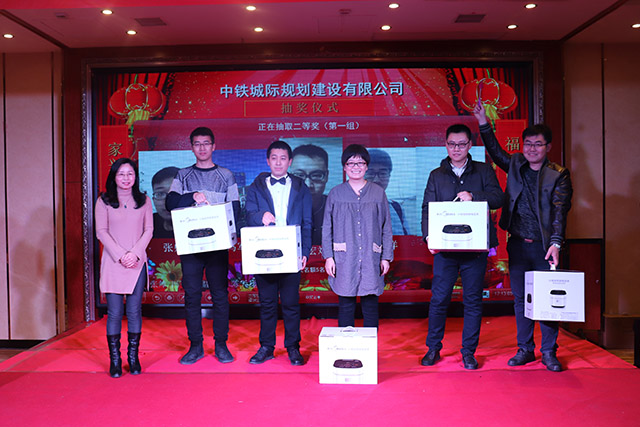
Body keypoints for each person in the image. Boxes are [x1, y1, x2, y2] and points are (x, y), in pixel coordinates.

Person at [473, 101, 572, 372]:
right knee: (521, 299)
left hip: (544, 247)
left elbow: (560, 211)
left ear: (548, 147)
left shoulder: (559, 175)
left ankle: (549, 352)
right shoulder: (516, 163)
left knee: (548, 299)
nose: (532, 149)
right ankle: (525, 349)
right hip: (517, 244)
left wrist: (556, 243)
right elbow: (496, 152)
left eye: (538, 144)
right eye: (528, 144)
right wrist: (483, 122)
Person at [420, 124, 504, 370]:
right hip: (445, 249)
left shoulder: (483, 170)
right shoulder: (437, 175)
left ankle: (469, 352)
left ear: (470, 145)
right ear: (445, 145)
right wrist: (429, 238)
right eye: (451, 144)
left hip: (474, 249)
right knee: (439, 299)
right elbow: (427, 208)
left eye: (461, 144)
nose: (456, 149)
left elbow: (499, 198)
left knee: (473, 300)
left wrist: (474, 196)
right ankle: (433, 348)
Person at [165, 126, 240, 365]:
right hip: (191, 246)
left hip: (217, 245)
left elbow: (235, 208)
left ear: (214, 146)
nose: (202, 148)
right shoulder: (183, 175)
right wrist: (193, 196)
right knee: (192, 295)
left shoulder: (226, 175)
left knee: (220, 295)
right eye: (197, 144)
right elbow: (170, 202)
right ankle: (195, 345)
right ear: (191, 147)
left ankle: (221, 344)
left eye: (206, 143)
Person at [244, 140, 312, 366]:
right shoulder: (256, 186)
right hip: (264, 253)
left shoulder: (301, 187)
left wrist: (305, 251)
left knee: (291, 303)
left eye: (283, 158)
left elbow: (308, 222)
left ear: (290, 162)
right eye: (274, 158)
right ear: (267, 161)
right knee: (267, 303)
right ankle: (266, 346)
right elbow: (248, 215)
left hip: (292, 252)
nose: (278, 162)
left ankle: (293, 347)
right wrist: (260, 216)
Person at [322, 144, 393, 328]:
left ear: (366, 166)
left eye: (360, 163)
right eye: (351, 163)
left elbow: (386, 227)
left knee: (370, 306)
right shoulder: (335, 193)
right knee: (346, 305)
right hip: (344, 258)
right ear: (344, 167)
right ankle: (346, 344)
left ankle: (370, 344)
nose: (356, 167)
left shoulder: (378, 193)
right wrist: (329, 257)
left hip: (371, 257)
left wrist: (386, 257)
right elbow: (327, 228)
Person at [95, 158, 153, 378]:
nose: (126, 178)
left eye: (130, 174)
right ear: (114, 176)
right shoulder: (104, 201)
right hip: (113, 262)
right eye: (121, 174)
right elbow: (101, 231)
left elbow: (148, 230)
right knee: (114, 313)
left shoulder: (144, 200)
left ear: (136, 177)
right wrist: (121, 255)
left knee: (134, 310)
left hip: (136, 263)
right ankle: (115, 360)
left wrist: (134, 254)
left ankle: (133, 357)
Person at [290, 144, 329, 245]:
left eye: (316, 175)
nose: (308, 184)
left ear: (326, 176)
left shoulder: (334, 207)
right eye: (299, 175)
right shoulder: (283, 207)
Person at [366, 149, 410, 235]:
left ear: (389, 176)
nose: (376, 179)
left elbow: (406, 239)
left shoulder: (397, 208)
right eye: (371, 173)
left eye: (382, 173)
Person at [151, 166, 179, 238]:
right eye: (160, 194)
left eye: (175, 193)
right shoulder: (148, 223)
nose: (167, 201)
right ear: (153, 200)